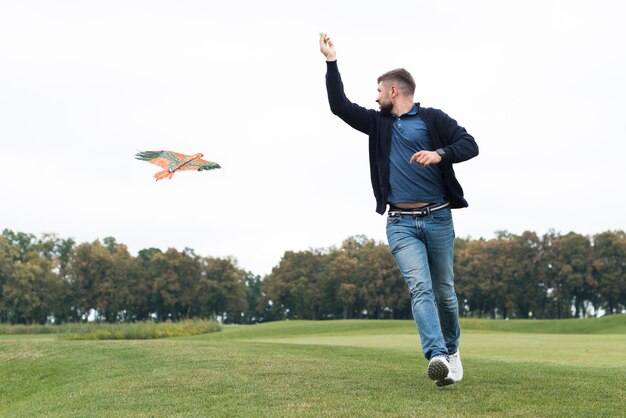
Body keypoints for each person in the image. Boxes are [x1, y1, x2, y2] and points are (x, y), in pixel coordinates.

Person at [319, 33, 479, 387]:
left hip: (437, 218)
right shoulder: (378, 124)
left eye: (378, 91)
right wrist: (331, 62)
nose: (374, 98)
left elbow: (470, 144)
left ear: (394, 91)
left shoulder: (433, 119)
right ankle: (436, 355)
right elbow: (339, 106)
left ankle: (452, 352)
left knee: (446, 294)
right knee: (420, 288)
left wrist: (440, 154)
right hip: (400, 224)